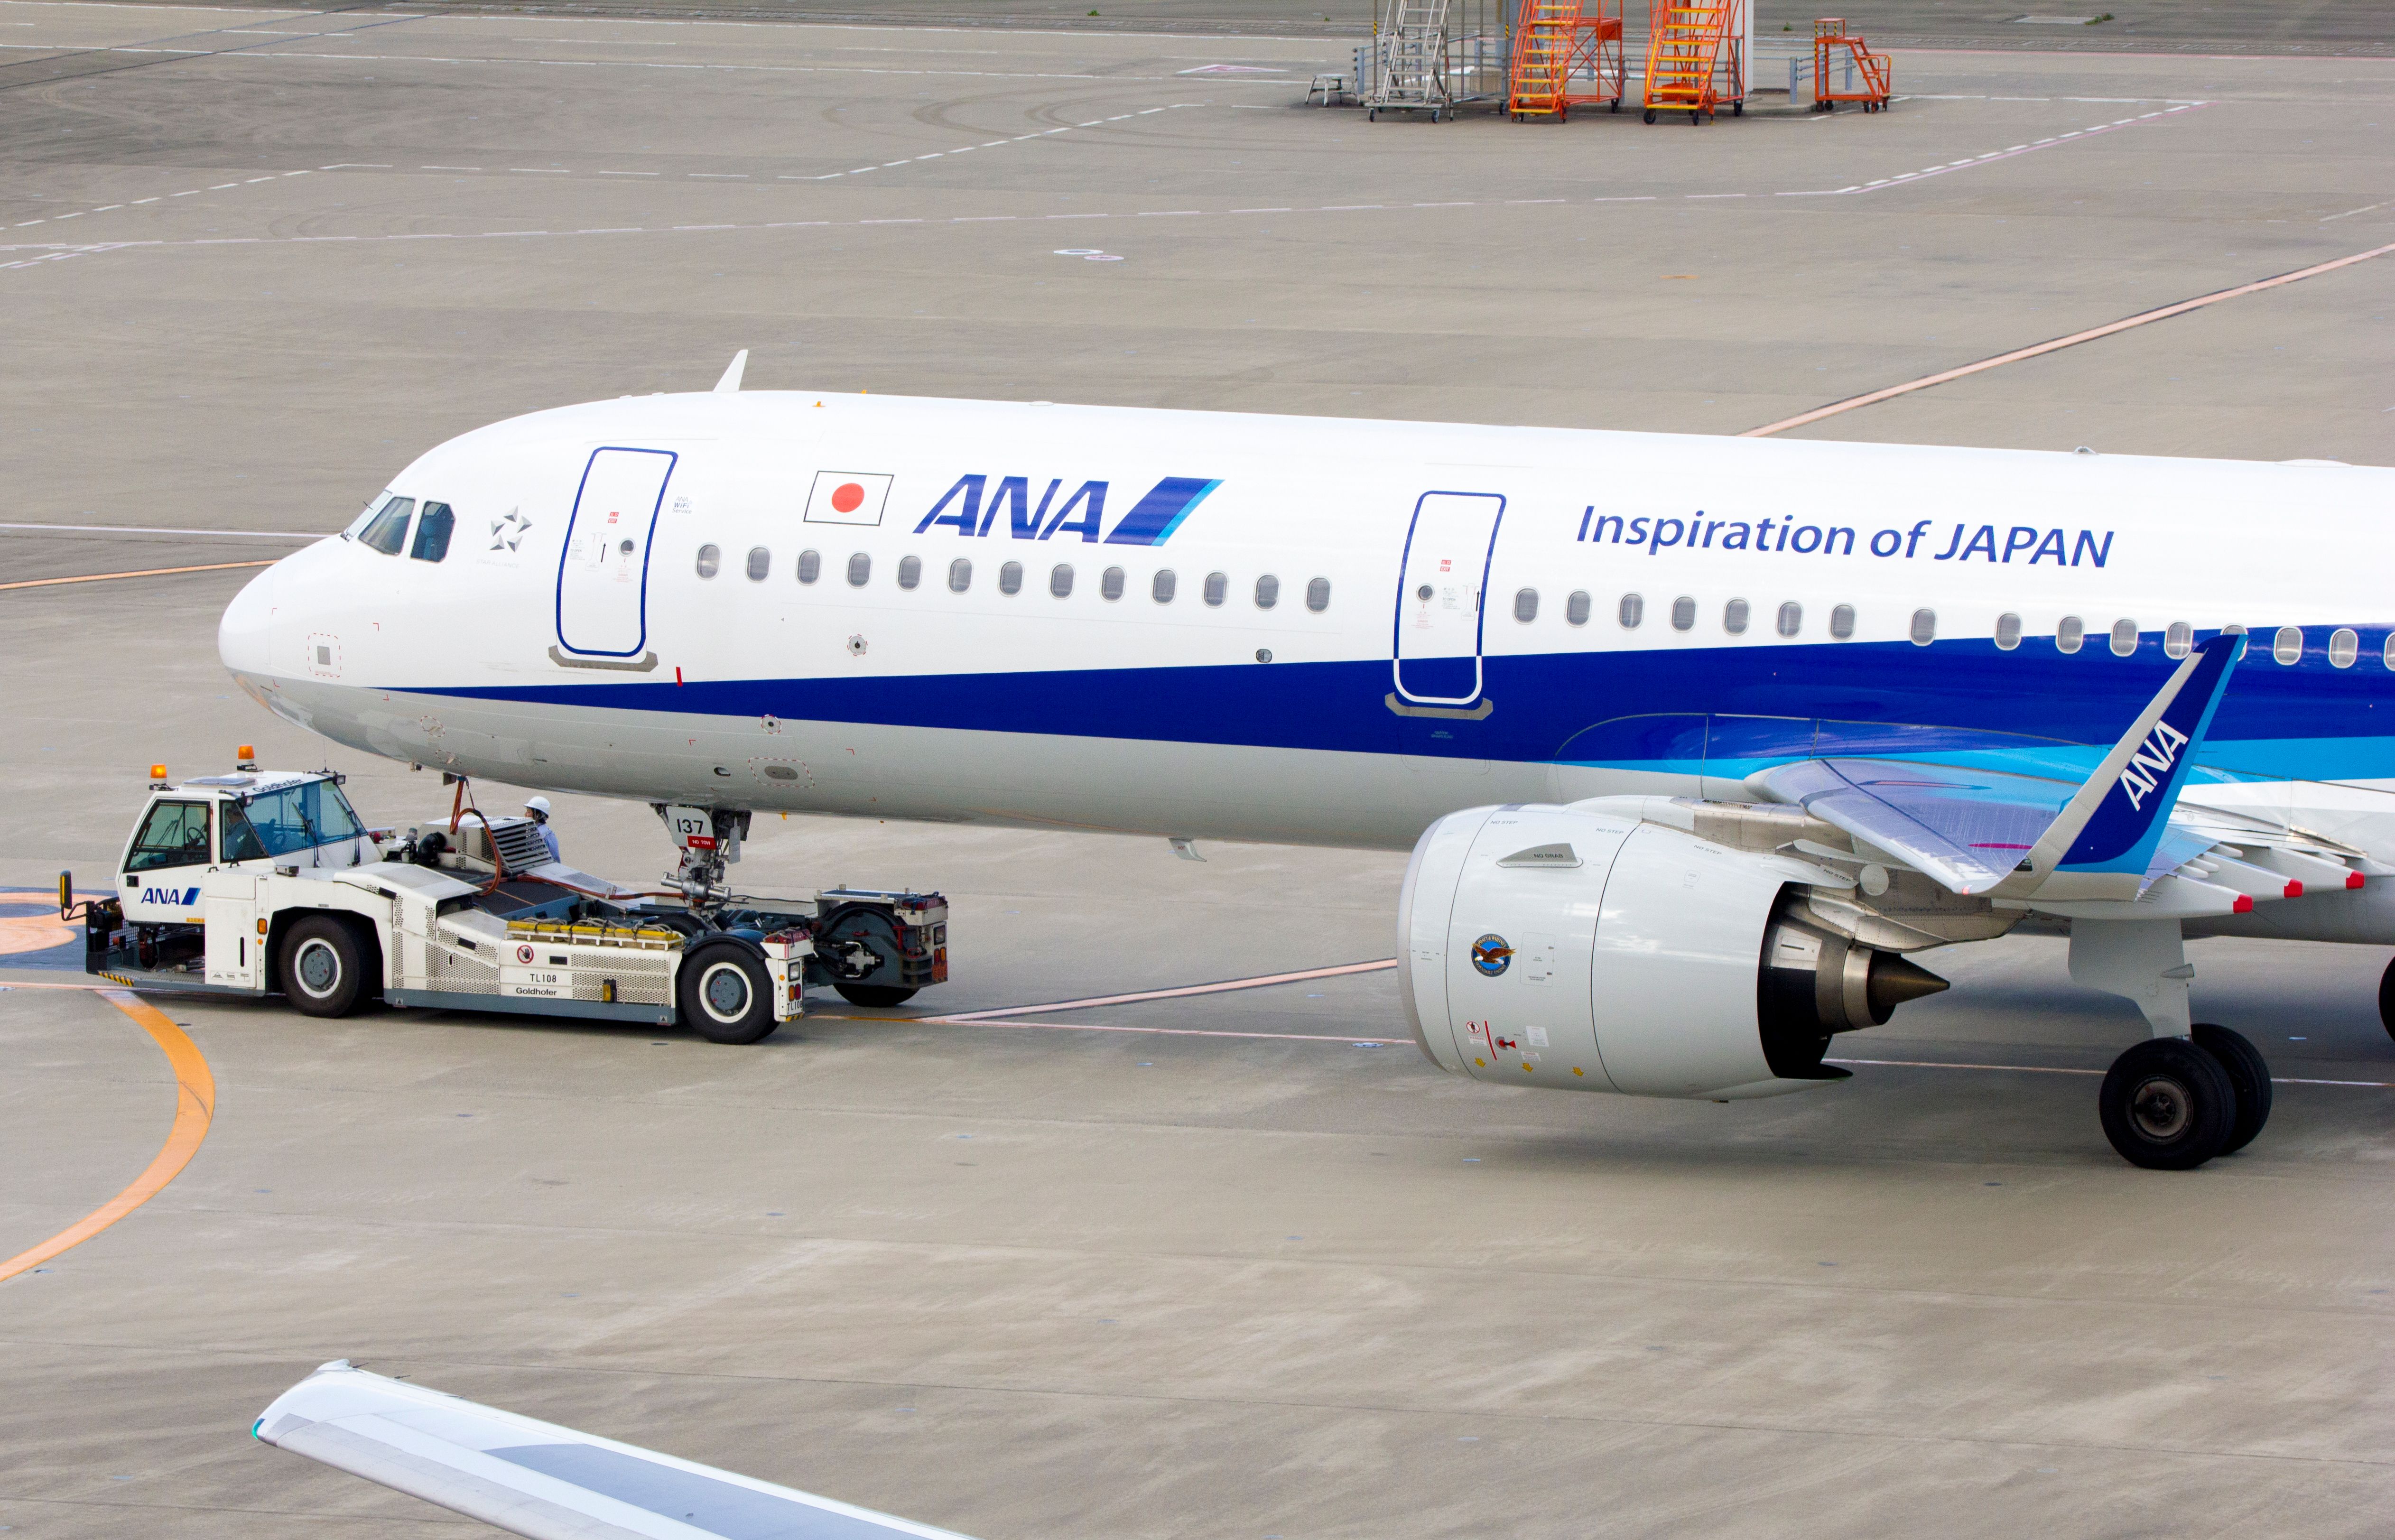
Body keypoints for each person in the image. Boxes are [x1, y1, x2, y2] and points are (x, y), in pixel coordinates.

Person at [524, 796, 561, 863]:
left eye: (529, 812)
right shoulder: (550, 832)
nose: (525, 815)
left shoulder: (536, 836)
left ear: (537, 815)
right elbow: (556, 858)